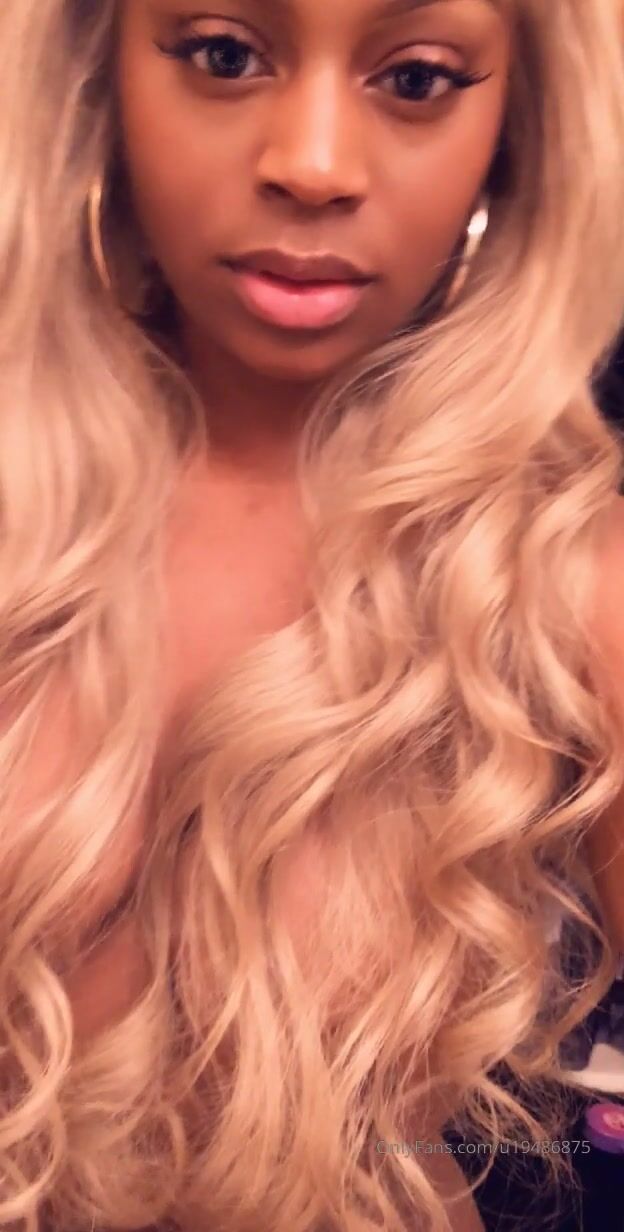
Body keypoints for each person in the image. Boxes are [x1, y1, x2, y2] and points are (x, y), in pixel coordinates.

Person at [0, 0, 624, 1229]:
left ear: (516, 124)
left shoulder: (565, 575)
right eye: (225, 55)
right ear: (97, 74)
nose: (315, 163)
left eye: (417, 78)